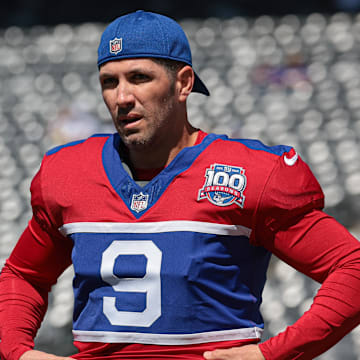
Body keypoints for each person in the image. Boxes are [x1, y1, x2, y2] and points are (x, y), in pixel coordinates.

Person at [0, 10, 359, 360]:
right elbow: (23, 274)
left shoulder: (250, 173)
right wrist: (19, 352)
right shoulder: (68, 172)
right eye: (110, 81)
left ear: (183, 83)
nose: (122, 97)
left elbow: (352, 268)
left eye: (139, 77)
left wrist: (273, 353)